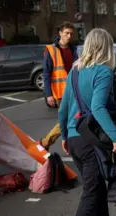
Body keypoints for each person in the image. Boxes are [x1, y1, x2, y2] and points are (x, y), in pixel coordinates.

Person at [58, 28, 116, 216]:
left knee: (95, 192)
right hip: (90, 141)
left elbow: (64, 107)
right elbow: (98, 108)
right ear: (106, 47)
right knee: (91, 193)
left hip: (75, 139)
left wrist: (65, 136)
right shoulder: (103, 71)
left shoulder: (75, 70)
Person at [40, 21, 79, 150]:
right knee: (68, 118)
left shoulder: (73, 49)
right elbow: (46, 74)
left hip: (74, 89)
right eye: (67, 33)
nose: (69, 36)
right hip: (60, 92)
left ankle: (50, 142)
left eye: (71, 34)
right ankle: (46, 142)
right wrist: (48, 95)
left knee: (73, 117)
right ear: (60, 33)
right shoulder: (51, 50)